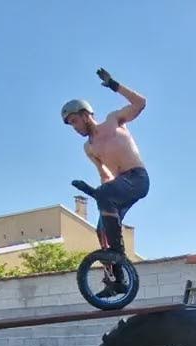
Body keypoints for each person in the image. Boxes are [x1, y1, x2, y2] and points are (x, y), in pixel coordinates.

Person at [62, 68, 148, 297]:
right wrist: (98, 192)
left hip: (137, 178)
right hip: (118, 187)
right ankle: (118, 281)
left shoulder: (113, 121)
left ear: (85, 115)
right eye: (70, 125)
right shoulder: (89, 148)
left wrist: (113, 84)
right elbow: (105, 176)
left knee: (104, 195)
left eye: (75, 121)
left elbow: (140, 103)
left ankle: (118, 253)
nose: (75, 128)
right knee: (101, 230)